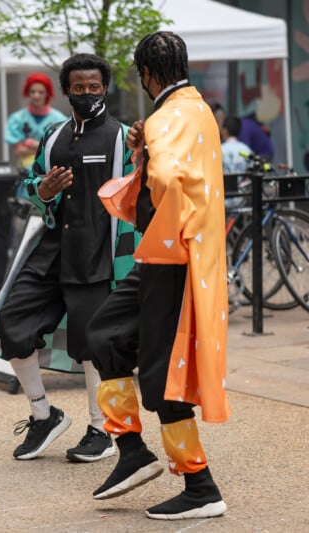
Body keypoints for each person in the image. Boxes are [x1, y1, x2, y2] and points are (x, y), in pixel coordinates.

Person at [86, 31, 229, 520]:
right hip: (170, 257)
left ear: (145, 73)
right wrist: (146, 149)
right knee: (106, 333)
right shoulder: (198, 108)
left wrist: (153, 156)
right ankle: (131, 452)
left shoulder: (167, 116)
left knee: (164, 375)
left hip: (172, 257)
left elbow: (168, 179)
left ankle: (200, 485)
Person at [0, 54, 139, 462]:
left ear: (105, 88)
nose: (87, 94)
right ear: (67, 91)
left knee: (92, 345)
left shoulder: (122, 137)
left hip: (97, 254)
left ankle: (101, 429)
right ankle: (44, 415)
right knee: (13, 324)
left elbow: (139, 195)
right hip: (52, 249)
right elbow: (31, 183)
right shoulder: (53, 134)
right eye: (79, 88)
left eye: (94, 87)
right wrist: (42, 190)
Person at [5, 73, 68, 170]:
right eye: (32, 91)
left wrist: (31, 145)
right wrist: (44, 147)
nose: (36, 96)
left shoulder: (60, 119)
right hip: (25, 176)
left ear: (47, 93)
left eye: (41, 92)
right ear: (27, 92)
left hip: (51, 173)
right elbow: (19, 151)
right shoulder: (17, 119)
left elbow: (59, 150)